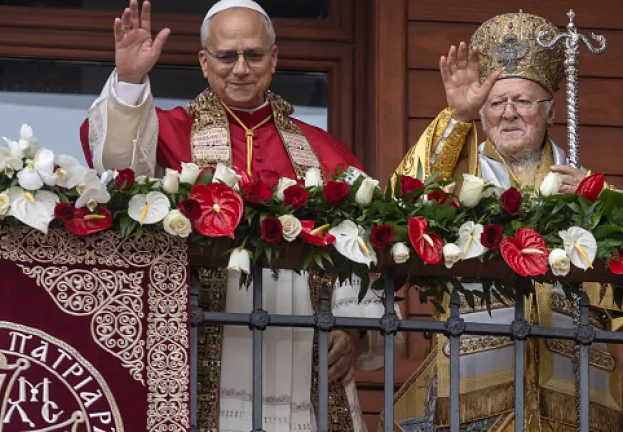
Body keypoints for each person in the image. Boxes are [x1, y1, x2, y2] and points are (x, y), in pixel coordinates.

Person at [79, 1, 394, 430]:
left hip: (304, 348)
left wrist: (355, 331)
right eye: (227, 56)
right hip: (207, 333)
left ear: (274, 58)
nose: (240, 68)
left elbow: (365, 240)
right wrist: (132, 81)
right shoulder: (170, 131)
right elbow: (119, 172)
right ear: (204, 63)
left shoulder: (321, 148)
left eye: (254, 55)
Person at [387, 12, 622, 432]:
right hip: (475, 386)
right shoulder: (458, 180)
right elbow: (399, 205)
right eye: (496, 102)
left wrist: (599, 201)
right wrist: (457, 117)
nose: (508, 113)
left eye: (523, 101)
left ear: (549, 110)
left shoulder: (582, 183)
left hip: (571, 394)